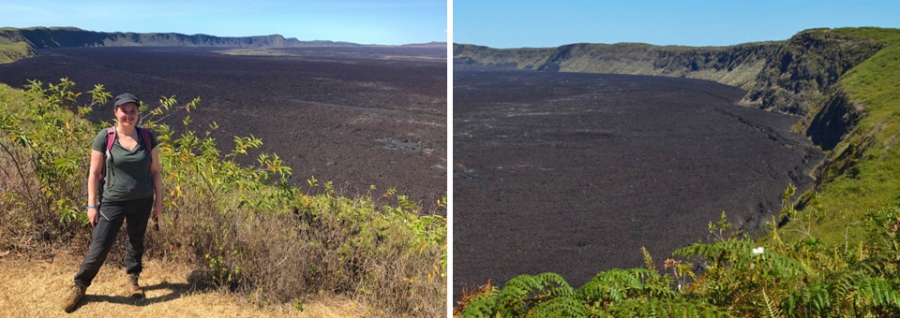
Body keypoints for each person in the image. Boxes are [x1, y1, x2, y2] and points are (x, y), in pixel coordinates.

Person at [62, 93, 163, 313]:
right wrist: (91, 205)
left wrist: (158, 201)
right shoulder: (105, 137)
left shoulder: (147, 137)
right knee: (100, 246)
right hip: (112, 201)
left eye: (133, 110)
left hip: (142, 200)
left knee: (136, 241)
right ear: (115, 112)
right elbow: (94, 173)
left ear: (138, 113)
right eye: (124, 110)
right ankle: (80, 286)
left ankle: (133, 279)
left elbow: (155, 171)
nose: (129, 115)